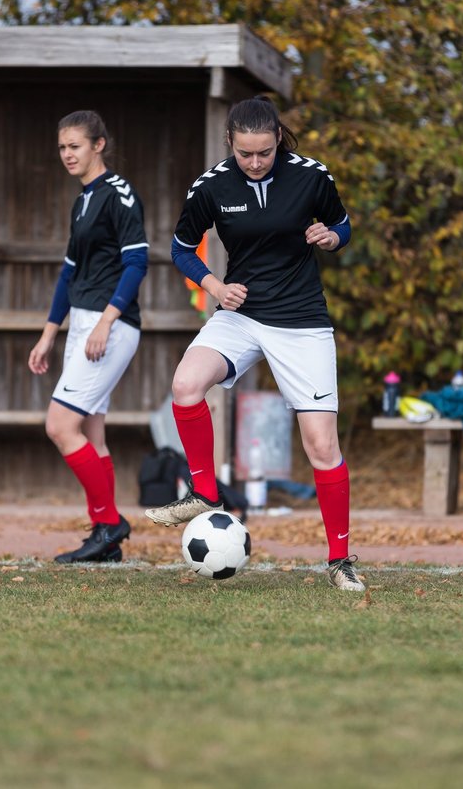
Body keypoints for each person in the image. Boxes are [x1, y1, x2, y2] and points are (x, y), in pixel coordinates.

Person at [143, 96, 363, 592]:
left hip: (302, 321)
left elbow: (343, 225)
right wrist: (215, 287)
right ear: (230, 144)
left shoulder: (311, 175)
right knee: (186, 384)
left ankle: (340, 560)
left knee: (321, 446)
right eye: (246, 154)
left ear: (278, 141)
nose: (257, 162)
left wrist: (332, 237)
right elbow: (181, 247)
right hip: (239, 316)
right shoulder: (212, 185)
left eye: (265, 152)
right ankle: (203, 491)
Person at [28, 110, 147, 564]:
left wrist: (105, 323)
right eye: (62, 148)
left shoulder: (119, 195)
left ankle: (110, 521)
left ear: (99, 145)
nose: (67, 155)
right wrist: (48, 335)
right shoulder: (82, 202)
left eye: (74, 146)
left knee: (59, 425)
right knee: (93, 438)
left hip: (109, 327)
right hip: (82, 322)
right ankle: (105, 539)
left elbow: (137, 264)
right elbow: (69, 273)